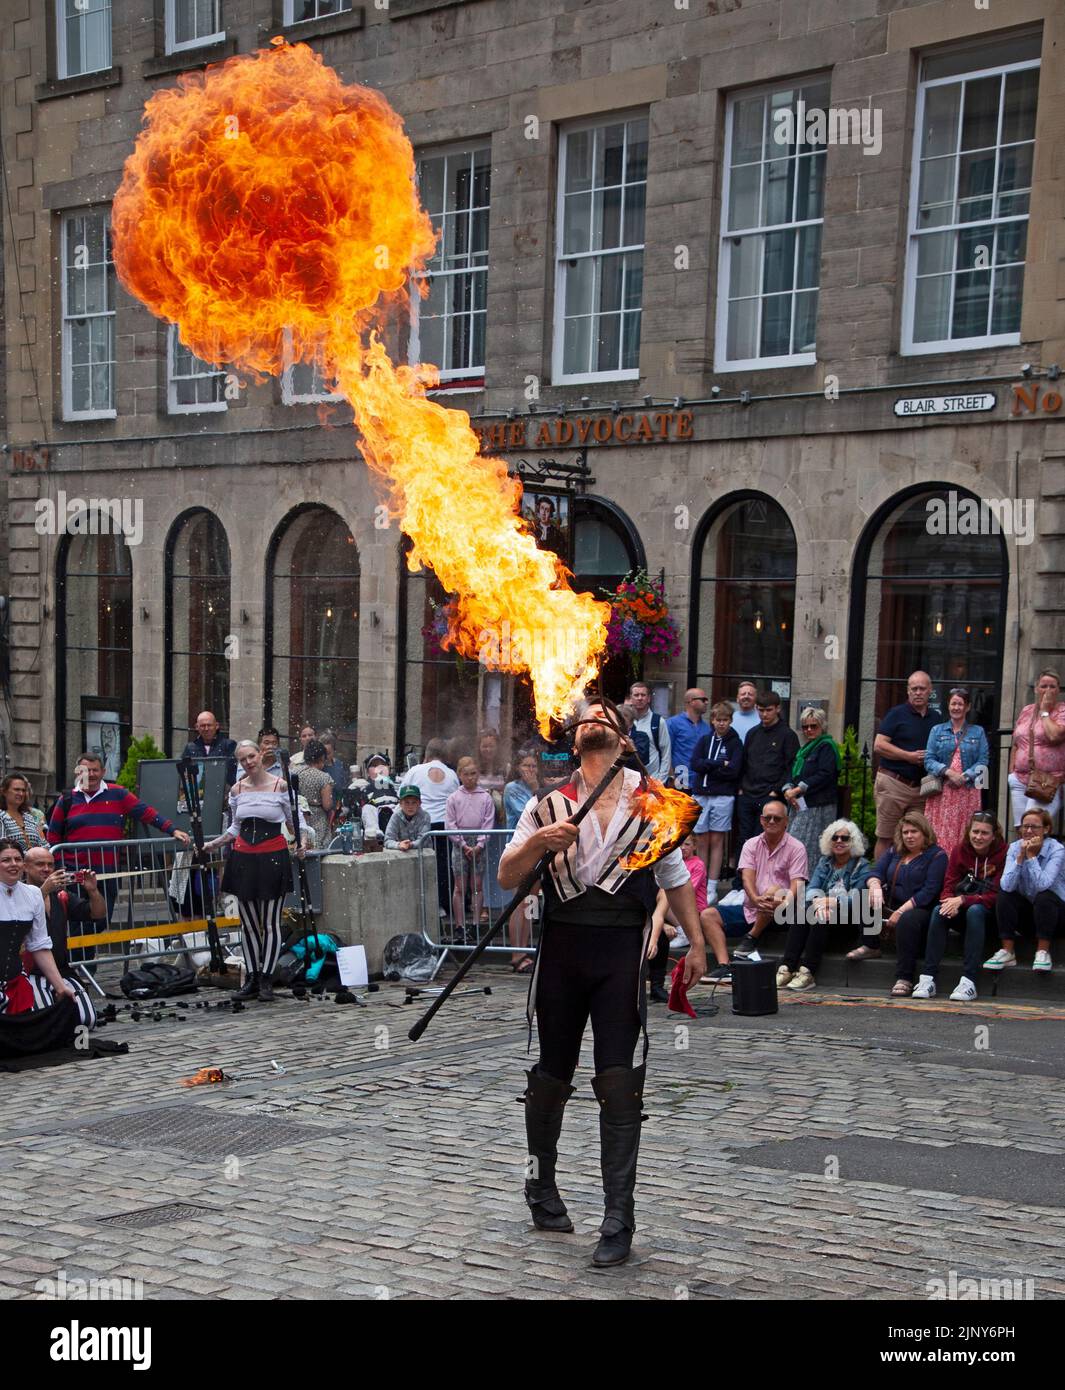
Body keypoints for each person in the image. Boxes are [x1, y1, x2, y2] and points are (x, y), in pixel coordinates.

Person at [498, 698, 706, 1267]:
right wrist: (538, 843)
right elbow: (507, 875)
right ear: (574, 740)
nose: (592, 720)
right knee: (550, 1076)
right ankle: (541, 1187)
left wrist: (696, 944)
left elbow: (674, 878)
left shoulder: (655, 803)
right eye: (584, 716)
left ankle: (619, 1217)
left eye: (602, 715)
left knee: (619, 1081)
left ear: (624, 737)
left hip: (619, 951)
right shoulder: (547, 805)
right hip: (562, 949)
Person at [47, 754, 190, 943]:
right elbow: (53, 836)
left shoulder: (118, 794)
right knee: (79, 922)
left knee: (101, 918)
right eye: (86, 770)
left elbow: (146, 812)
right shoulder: (67, 799)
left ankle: (80, 957)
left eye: (95, 770)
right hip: (75, 873)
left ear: (103, 772)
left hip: (108, 872)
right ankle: (81, 959)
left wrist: (172, 830)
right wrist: (60, 868)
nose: (91, 774)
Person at [204, 740, 304, 1002]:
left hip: (273, 858)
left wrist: (302, 841)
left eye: (251, 756)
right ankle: (252, 977)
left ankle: (266, 979)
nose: (248, 762)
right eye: (242, 759)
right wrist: (214, 844)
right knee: (248, 924)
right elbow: (235, 828)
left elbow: (295, 823)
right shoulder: (237, 789)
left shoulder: (280, 786)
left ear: (260, 755)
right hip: (244, 859)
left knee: (270, 923)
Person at [913, 811, 1006, 1002]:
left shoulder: (1004, 853)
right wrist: (949, 902)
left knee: (975, 911)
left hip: (990, 916)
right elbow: (948, 885)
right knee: (939, 911)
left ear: (994, 835)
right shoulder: (959, 850)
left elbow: (997, 896)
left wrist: (963, 900)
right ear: (968, 832)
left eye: (984, 833)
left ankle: (969, 981)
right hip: (962, 909)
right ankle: (928, 978)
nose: (978, 837)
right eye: (975, 832)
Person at [0, 840, 94, 1029]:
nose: (13, 864)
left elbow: (39, 945)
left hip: (16, 981)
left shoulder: (33, 894)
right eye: (6, 860)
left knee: (82, 1021)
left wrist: (61, 987)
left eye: (17, 859)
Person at [857, 810, 948, 996]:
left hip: (921, 909)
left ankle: (904, 977)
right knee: (864, 894)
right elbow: (875, 872)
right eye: (905, 832)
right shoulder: (895, 851)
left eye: (914, 831)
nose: (909, 836)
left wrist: (900, 912)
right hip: (893, 904)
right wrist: (874, 885)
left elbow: (929, 892)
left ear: (924, 832)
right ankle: (871, 945)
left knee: (908, 919)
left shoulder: (937, 856)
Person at [705, 796, 807, 958]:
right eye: (767, 818)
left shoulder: (797, 847)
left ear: (786, 821)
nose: (771, 821)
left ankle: (751, 937)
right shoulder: (751, 844)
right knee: (707, 915)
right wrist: (755, 899)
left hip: (784, 911)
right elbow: (747, 878)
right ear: (761, 820)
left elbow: (798, 883)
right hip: (752, 908)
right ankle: (724, 965)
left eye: (777, 818)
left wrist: (784, 902)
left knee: (773, 890)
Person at [778, 819, 873, 992]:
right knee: (805, 912)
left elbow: (857, 898)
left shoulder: (862, 865)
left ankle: (808, 972)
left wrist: (833, 903)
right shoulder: (825, 862)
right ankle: (787, 967)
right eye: (835, 837)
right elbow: (811, 889)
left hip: (848, 920)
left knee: (817, 914)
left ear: (853, 841)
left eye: (845, 838)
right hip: (822, 916)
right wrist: (820, 903)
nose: (839, 841)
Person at [20, 845, 104, 1026]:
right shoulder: (18, 894)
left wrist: (93, 891)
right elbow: (23, 912)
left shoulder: (61, 895)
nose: (46, 869)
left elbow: (97, 914)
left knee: (87, 1020)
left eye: (50, 864)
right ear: (25, 867)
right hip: (30, 972)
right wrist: (43, 890)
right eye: (40, 864)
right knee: (44, 1021)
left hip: (61, 970)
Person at [985, 808, 1065, 974]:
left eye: (1034, 827)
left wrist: (1031, 856)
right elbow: (1006, 885)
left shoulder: (1057, 849)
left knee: (1044, 896)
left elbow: (1043, 884)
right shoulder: (1015, 848)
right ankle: (1007, 951)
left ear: (1046, 829)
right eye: (1025, 826)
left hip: (1056, 916)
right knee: (1005, 895)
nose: (1028, 831)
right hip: (1030, 916)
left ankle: (1042, 951)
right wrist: (1021, 857)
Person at [872, 671, 941, 858]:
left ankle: (907, 873)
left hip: (921, 789)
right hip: (893, 783)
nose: (918, 692)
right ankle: (880, 875)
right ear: (908, 691)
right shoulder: (896, 714)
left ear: (930, 691)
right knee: (886, 837)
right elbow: (879, 745)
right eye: (914, 689)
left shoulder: (936, 718)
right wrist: (908, 756)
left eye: (922, 689)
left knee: (917, 838)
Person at [923, 687, 989, 856]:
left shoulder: (978, 732)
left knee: (965, 831)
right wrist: (948, 772)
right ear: (948, 705)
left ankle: (960, 865)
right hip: (942, 791)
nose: (956, 707)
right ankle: (940, 864)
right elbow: (928, 760)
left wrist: (965, 776)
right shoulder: (937, 730)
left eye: (960, 704)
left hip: (968, 790)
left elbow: (983, 761)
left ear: (967, 707)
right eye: (953, 704)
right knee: (940, 831)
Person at [733, 691, 800, 855]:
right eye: (761, 710)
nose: (764, 714)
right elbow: (744, 762)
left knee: (765, 838)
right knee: (743, 838)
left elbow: (791, 767)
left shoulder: (788, 735)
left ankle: (761, 872)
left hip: (770, 795)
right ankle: (742, 872)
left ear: (778, 709)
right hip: (747, 793)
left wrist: (776, 790)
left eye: (768, 710)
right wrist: (741, 788)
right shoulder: (752, 733)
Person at [690, 701, 743, 896]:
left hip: (722, 796)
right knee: (701, 839)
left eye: (725, 720)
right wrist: (718, 763)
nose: (721, 723)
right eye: (718, 720)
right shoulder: (705, 740)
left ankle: (712, 886)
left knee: (717, 840)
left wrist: (709, 766)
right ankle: (701, 883)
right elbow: (695, 764)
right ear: (712, 720)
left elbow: (734, 770)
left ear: (731, 721)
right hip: (701, 794)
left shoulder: (735, 743)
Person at [782, 707, 840, 877]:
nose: (809, 730)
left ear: (822, 726)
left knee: (811, 848)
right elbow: (793, 772)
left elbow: (825, 774)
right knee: (795, 844)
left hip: (819, 806)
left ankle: (809, 885)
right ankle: (795, 882)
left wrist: (798, 789)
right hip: (801, 804)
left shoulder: (827, 747)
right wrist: (788, 789)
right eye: (805, 726)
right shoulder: (805, 749)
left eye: (813, 726)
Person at [407, 739, 461, 921]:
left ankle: (425, 905)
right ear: (445, 756)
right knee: (444, 866)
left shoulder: (415, 771)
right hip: (444, 826)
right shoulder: (452, 774)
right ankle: (443, 904)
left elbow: (403, 793)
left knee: (423, 865)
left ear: (426, 754)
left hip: (422, 825)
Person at [1006, 669, 1065, 828]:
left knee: (1033, 826)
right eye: (1044, 686)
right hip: (1020, 778)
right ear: (1036, 689)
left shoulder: (1062, 711)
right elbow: (1017, 742)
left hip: (1047, 781)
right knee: (1021, 828)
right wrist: (1012, 772)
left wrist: (1044, 712)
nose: (1047, 690)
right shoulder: (1027, 710)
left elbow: (1054, 736)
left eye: (1052, 687)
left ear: (1058, 690)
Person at [445, 757, 495, 934]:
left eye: (473, 773)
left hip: (478, 843)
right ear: (460, 775)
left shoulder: (486, 797)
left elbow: (488, 822)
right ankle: (459, 925)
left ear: (478, 774)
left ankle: (475, 924)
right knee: (460, 886)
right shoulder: (453, 798)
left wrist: (480, 844)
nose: (470, 778)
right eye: (466, 774)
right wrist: (462, 844)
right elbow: (450, 823)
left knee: (477, 885)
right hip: (460, 843)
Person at [504, 751, 541, 973]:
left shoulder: (538, 787)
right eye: (527, 766)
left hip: (537, 851)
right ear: (518, 768)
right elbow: (531, 813)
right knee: (519, 901)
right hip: (519, 850)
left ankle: (525, 949)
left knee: (531, 901)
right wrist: (536, 788)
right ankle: (516, 954)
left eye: (534, 766)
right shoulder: (513, 789)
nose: (531, 770)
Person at [293, 739, 334, 850]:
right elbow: (327, 805)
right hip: (317, 818)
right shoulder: (324, 778)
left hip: (297, 814)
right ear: (321, 758)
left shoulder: (294, 772)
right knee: (316, 848)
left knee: (298, 847)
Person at [180, 710, 238, 787]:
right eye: (203, 726)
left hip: (222, 789)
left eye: (209, 725)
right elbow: (183, 771)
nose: (206, 729)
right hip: (197, 790)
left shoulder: (228, 745)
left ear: (216, 726)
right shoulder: (190, 748)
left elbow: (231, 772)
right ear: (197, 727)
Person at [666, 688, 710, 789]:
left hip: (700, 781)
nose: (706, 702)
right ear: (691, 701)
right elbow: (666, 753)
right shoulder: (673, 723)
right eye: (703, 700)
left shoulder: (707, 728)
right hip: (680, 780)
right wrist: (671, 776)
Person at [627, 682, 671, 780]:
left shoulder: (658, 722)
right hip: (628, 781)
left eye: (643, 695)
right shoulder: (623, 721)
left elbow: (666, 753)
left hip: (652, 780)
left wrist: (660, 780)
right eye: (636, 695)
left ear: (649, 698)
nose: (640, 698)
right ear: (631, 698)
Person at [359, 755, 399, 848]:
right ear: (368, 772)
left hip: (395, 811)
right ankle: (375, 835)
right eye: (374, 766)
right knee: (367, 808)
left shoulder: (396, 782)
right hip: (376, 813)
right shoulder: (364, 785)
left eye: (382, 765)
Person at [0, 775, 48, 850]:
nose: (21, 793)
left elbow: (44, 844)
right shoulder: (1, 816)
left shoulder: (29, 818)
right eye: (16, 789)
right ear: (4, 791)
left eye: (23, 790)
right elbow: (2, 847)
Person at [384, 786, 431, 851]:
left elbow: (424, 840)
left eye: (414, 802)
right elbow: (388, 840)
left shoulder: (425, 816)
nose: (410, 806)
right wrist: (399, 845)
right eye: (407, 802)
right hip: (401, 854)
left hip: (423, 853)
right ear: (400, 804)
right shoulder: (395, 816)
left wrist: (410, 844)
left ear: (419, 803)